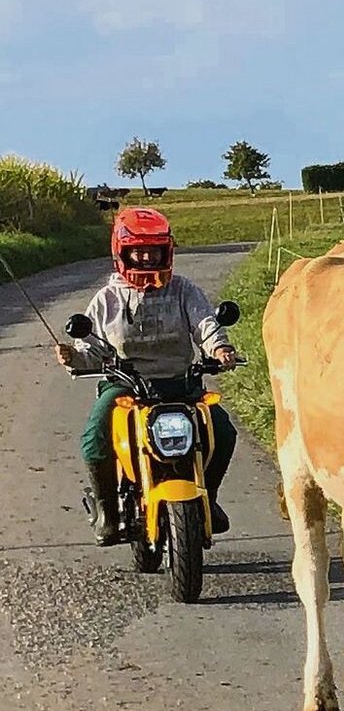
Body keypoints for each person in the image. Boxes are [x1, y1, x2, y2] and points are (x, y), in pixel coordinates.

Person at [54, 207, 240, 545]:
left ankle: (208, 499)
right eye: (138, 251)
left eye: (153, 251)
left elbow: (205, 324)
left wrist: (219, 350)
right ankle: (108, 513)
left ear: (166, 251)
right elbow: (91, 348)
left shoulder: (184, 290)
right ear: (121, 252)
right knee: (94, 440)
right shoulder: (106, 300)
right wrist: (74, 357)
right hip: (126, 387)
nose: (146, 258)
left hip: (182, 386)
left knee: (223, 431)